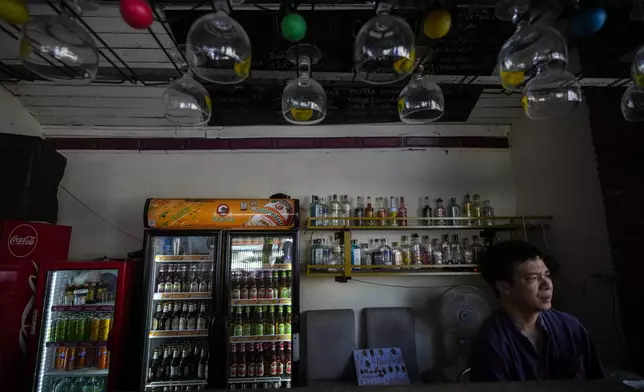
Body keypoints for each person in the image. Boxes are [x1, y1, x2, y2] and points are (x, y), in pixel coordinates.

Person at [471, 240, 604, 381]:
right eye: (533, 278)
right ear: (504, 287)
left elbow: (597, 381)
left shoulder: (569, 327)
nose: (547, 285)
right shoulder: (492, 341)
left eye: (547, 275)